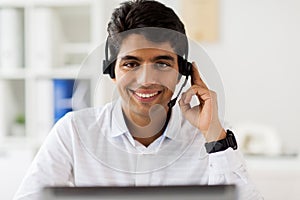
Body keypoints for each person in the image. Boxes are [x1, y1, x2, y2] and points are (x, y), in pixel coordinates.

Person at [14, 0, 262, 199]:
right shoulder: (74, 131)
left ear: (182, 72)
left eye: (162, 63)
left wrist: (214, 136)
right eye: (131, 64)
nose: (146, 80)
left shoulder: (208, 135)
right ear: (112, 72)